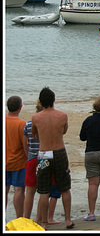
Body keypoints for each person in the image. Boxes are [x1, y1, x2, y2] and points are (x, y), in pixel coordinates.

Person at [31, 87, 74, 230]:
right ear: (54, 100)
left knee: (44, 190)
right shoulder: (62, 115)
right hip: (59, 151)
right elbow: (64, 131)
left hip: (44, 154)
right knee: (65, 188)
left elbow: (35, 134)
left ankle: (43, 222)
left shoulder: (36, 117)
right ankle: (68, 220)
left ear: (41, 102)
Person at [23, 101, 61, 225]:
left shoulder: (28, 124)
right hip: (45, 157)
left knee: (30, 191)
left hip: (32, 157)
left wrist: (28, 155)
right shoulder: (48, 124)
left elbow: (25, 144)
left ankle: (26, 219)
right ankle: (39, 220)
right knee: (43, 191)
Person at [5, 95, 27, 220]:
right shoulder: (21, 124)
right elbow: (24, 145)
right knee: (18, 189)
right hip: (18, 161)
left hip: (5, 160)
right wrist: (28, 157)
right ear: (20, 107)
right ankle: (19, 217)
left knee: (5, 189)